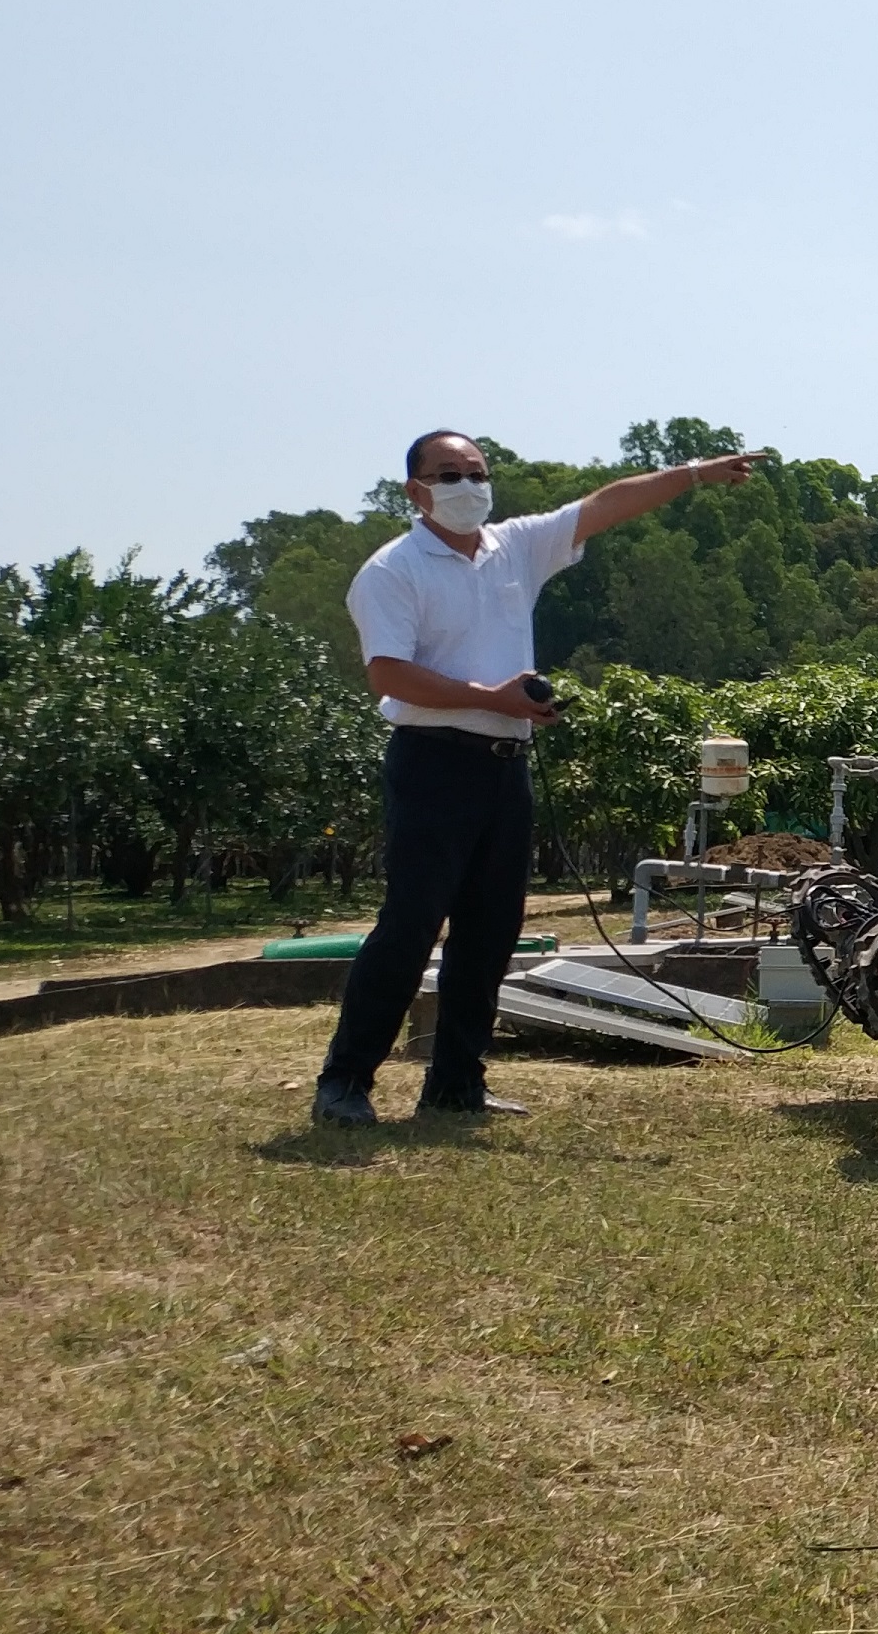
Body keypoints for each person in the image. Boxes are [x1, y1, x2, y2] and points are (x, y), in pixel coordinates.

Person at [310, 429, 765, 1127]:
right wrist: (497, 698)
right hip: (432, 764)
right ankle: (345, 1081)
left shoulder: (513, 546)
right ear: (416, 491)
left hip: (504, 768)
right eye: (448, 475)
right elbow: (389, 674)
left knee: (490, 933)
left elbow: (606, 505)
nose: (467, 487)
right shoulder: (392, 570)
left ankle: (456, 1083)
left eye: (476, 473)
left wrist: (696, 473)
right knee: (409, 926)